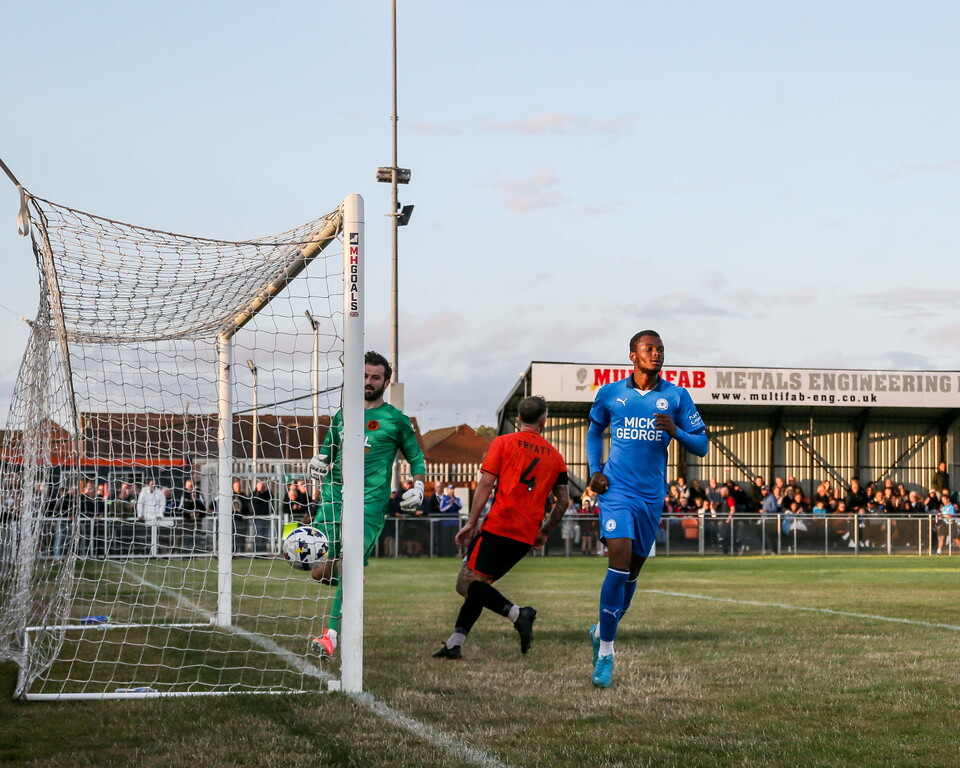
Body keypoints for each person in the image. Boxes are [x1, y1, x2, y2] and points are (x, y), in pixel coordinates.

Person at [585, 330, 708, 688]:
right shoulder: (610, 394)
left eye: (660, 350)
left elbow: (701, 445)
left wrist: (677, 432)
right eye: (648, 349)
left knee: (633, 572)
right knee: (618, 562)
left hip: (651, 495)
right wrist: (595, 471)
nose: (656, 354)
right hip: (616, 491)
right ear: (632, 356)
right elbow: (594, 432)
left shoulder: (676, 396)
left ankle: (600, 631)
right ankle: (607, 651)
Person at [308, 351, 426, 659]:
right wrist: (318, 462)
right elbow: (326, 452)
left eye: (375, 377)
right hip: (334, 498)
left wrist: (419, 485)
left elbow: (416, 456)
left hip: (370, 504)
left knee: (348, 565)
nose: (368, 382)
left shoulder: (396, 420)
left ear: (386, 381)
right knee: (318, 570)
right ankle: (352, 575)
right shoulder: (343, 414)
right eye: (363, 376)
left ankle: (330, 636)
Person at [433, 395, 568, 660]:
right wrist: (544, 532)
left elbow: (485, 484)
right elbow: (562, 502)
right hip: (526, 533)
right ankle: (455, 643)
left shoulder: (503, 443)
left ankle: (518, 613)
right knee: (480, 586)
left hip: (499, 525)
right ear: (544, 421)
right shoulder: (555, 456)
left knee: (466, 584)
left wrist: (471, 522)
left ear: (518, 418)